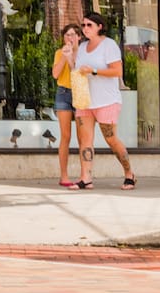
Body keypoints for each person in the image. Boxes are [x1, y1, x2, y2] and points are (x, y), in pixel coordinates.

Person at [74, 12, 137, 190]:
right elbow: (78, 70)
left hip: (107, 101)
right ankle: (85, 177)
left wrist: (94, 71)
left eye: (89, 25)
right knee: (85, 141)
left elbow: (117, 72)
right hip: (85, 101)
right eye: (84, 25)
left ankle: (129, 173)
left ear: (99, 26)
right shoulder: (82, 47)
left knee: (111, 139)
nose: (85, 29)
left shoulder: (108, 45)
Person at [50, 23, 83, 187]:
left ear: (79, 37)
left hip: (79, 93)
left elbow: (76, 72)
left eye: (72, 35)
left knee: (82, 136)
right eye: (67, 35)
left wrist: (71, 58)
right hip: (63, 93)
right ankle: (64, 176)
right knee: (66, 136)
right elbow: (55, 74)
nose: (69, 38)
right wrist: (64, 56)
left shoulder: (84, 53)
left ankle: (85, 175)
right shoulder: (58, 53)